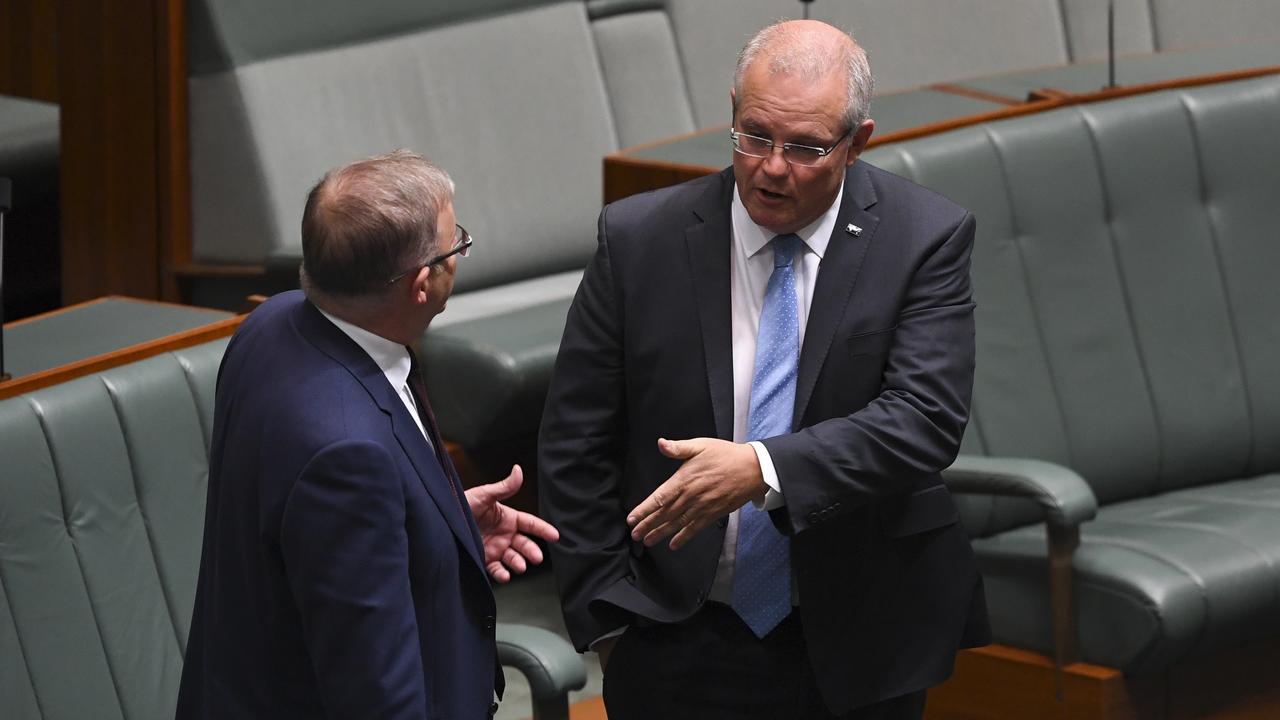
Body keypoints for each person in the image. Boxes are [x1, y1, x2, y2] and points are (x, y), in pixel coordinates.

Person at [539, 19, 988, 720]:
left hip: (859, 634)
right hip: (674, 632)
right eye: (755, 136)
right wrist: (610, 621)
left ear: (858, 142)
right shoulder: (639, 240)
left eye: (806, 147)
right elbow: (575, 442)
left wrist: (763, 468)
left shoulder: (922, 238)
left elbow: (923, 420)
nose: (772, 167)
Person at [177, 150, 559, 719]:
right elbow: (376, 696)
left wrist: (437, 530)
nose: (462, 254)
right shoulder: (347, 457)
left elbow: (308, 544)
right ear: (423, 284)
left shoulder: (269, 325)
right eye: (458, 244)